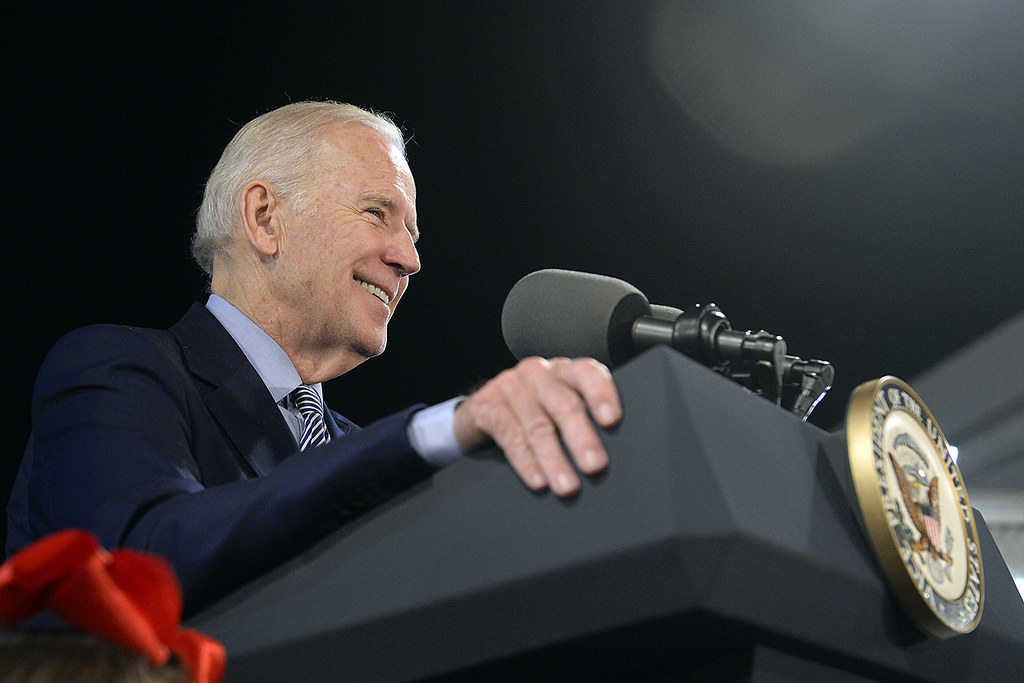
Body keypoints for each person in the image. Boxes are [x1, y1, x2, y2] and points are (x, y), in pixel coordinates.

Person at [6, 101, 622, 616]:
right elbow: (138, 567)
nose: (409, 260)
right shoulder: (118, 368)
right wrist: (436, 430)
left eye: (412, 235)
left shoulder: (356, 449)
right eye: (377, 213)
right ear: (264, 218)